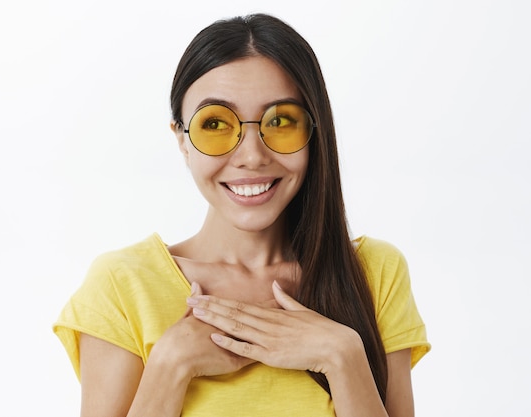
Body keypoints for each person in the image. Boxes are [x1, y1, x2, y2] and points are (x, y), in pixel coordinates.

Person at [53, 13, 430, 417]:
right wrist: (171, 364)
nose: (252, 156)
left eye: (281, 120)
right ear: (181, 141)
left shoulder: (375, 273)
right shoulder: (123, 285)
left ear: (314, 133)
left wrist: (343, 356)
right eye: (215, 123)